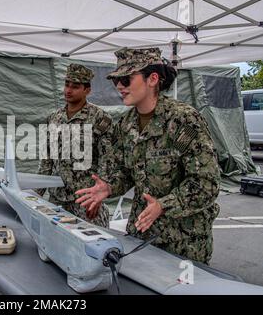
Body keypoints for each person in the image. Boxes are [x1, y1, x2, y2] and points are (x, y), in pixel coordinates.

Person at [75, 48, 221, 264]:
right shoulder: (126, 125)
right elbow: (127, 172)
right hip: (141, 236)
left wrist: (163, 205)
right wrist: (110, 187)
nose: (120, 86)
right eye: (116, 80)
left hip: (183, 242)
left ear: (153, 79)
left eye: (126, 79)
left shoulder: (182, 121)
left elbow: (206, 184)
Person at [38, 63, 115, 228]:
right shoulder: (53, 118)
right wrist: (36, 195)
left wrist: (98, 197)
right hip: (57, 197)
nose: (68, 90)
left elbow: (107, 160)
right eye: (66, 85)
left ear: (87, 90)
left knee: (94, 243)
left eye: (75, 86)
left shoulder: (100, 118)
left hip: (86, 198)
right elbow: (46, 161)